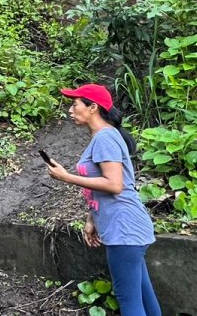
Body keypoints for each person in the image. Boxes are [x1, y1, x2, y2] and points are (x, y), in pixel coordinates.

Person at [45, 84, 161, 316]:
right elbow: (105, 186)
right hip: (125, 226)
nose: (70, 109)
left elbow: (114, 185)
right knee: (142, 295)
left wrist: (67, 177)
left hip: (124, 227)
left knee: (128, 300)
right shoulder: (104, 136)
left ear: (92, 107)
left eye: (75, 103)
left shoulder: (105, 138)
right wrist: (92, 219)